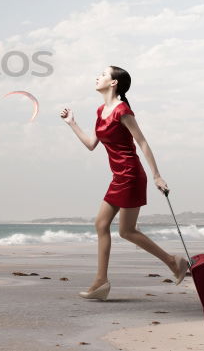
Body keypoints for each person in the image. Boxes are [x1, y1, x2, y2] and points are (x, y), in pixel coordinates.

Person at [59, 65, 189, 301]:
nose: (97, 76)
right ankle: (101, 281)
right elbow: (91, 144)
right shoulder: (101, 110)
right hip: (118, 176)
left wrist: (157, 175)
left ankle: (174, 262)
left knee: (126, 231)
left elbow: (143, 142)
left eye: (103, 74)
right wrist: (72, 123)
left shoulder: (122, 111)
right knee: (101, 225)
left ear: (113, 83)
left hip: (130, 175)